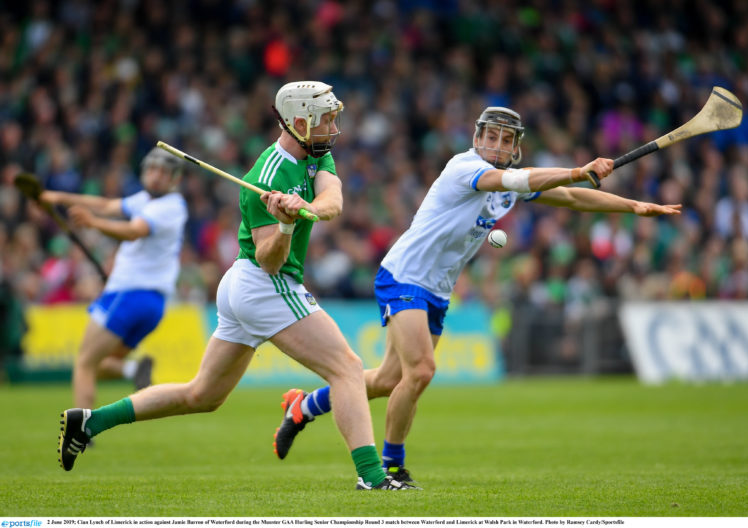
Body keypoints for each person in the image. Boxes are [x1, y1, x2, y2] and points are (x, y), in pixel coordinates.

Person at [272, 106, 683, 486]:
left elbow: (574, 197)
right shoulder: (464, 167)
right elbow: (517, 180)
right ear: (478, 137)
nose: (498, 146)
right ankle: (390, 467)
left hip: (436, 288)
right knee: (421, 372)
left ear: (515, 146)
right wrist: (578, 169)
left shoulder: (511, 184)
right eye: (491, 136)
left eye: (507, 140)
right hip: (404, 276)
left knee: (388, 379)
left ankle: (304, 406)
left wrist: (633, 206)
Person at [57, 81, 415, 491]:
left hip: (246, 286)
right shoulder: (263, 176)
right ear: (299, 122)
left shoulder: (318, 156)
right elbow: (269, 257)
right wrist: (284, 223)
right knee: (347, 369)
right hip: (264, 282)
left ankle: (90, 421)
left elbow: (333, 201)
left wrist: (306, 208)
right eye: (326, 120)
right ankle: (372, 477)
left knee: (202, 396)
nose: (333, 128)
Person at [41, 147, 188, 409]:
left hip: (128, 294)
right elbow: (106, 204)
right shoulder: (146, 200)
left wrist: (93, 223)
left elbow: (134, 231)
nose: (156, 176)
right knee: (101, 364)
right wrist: (58, 197)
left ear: (174, 178)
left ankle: (80, 431)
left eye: (164, 172)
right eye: (152, 169)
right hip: (152, 305)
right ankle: (132, 369)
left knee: (84, 363)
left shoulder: (169, 206)